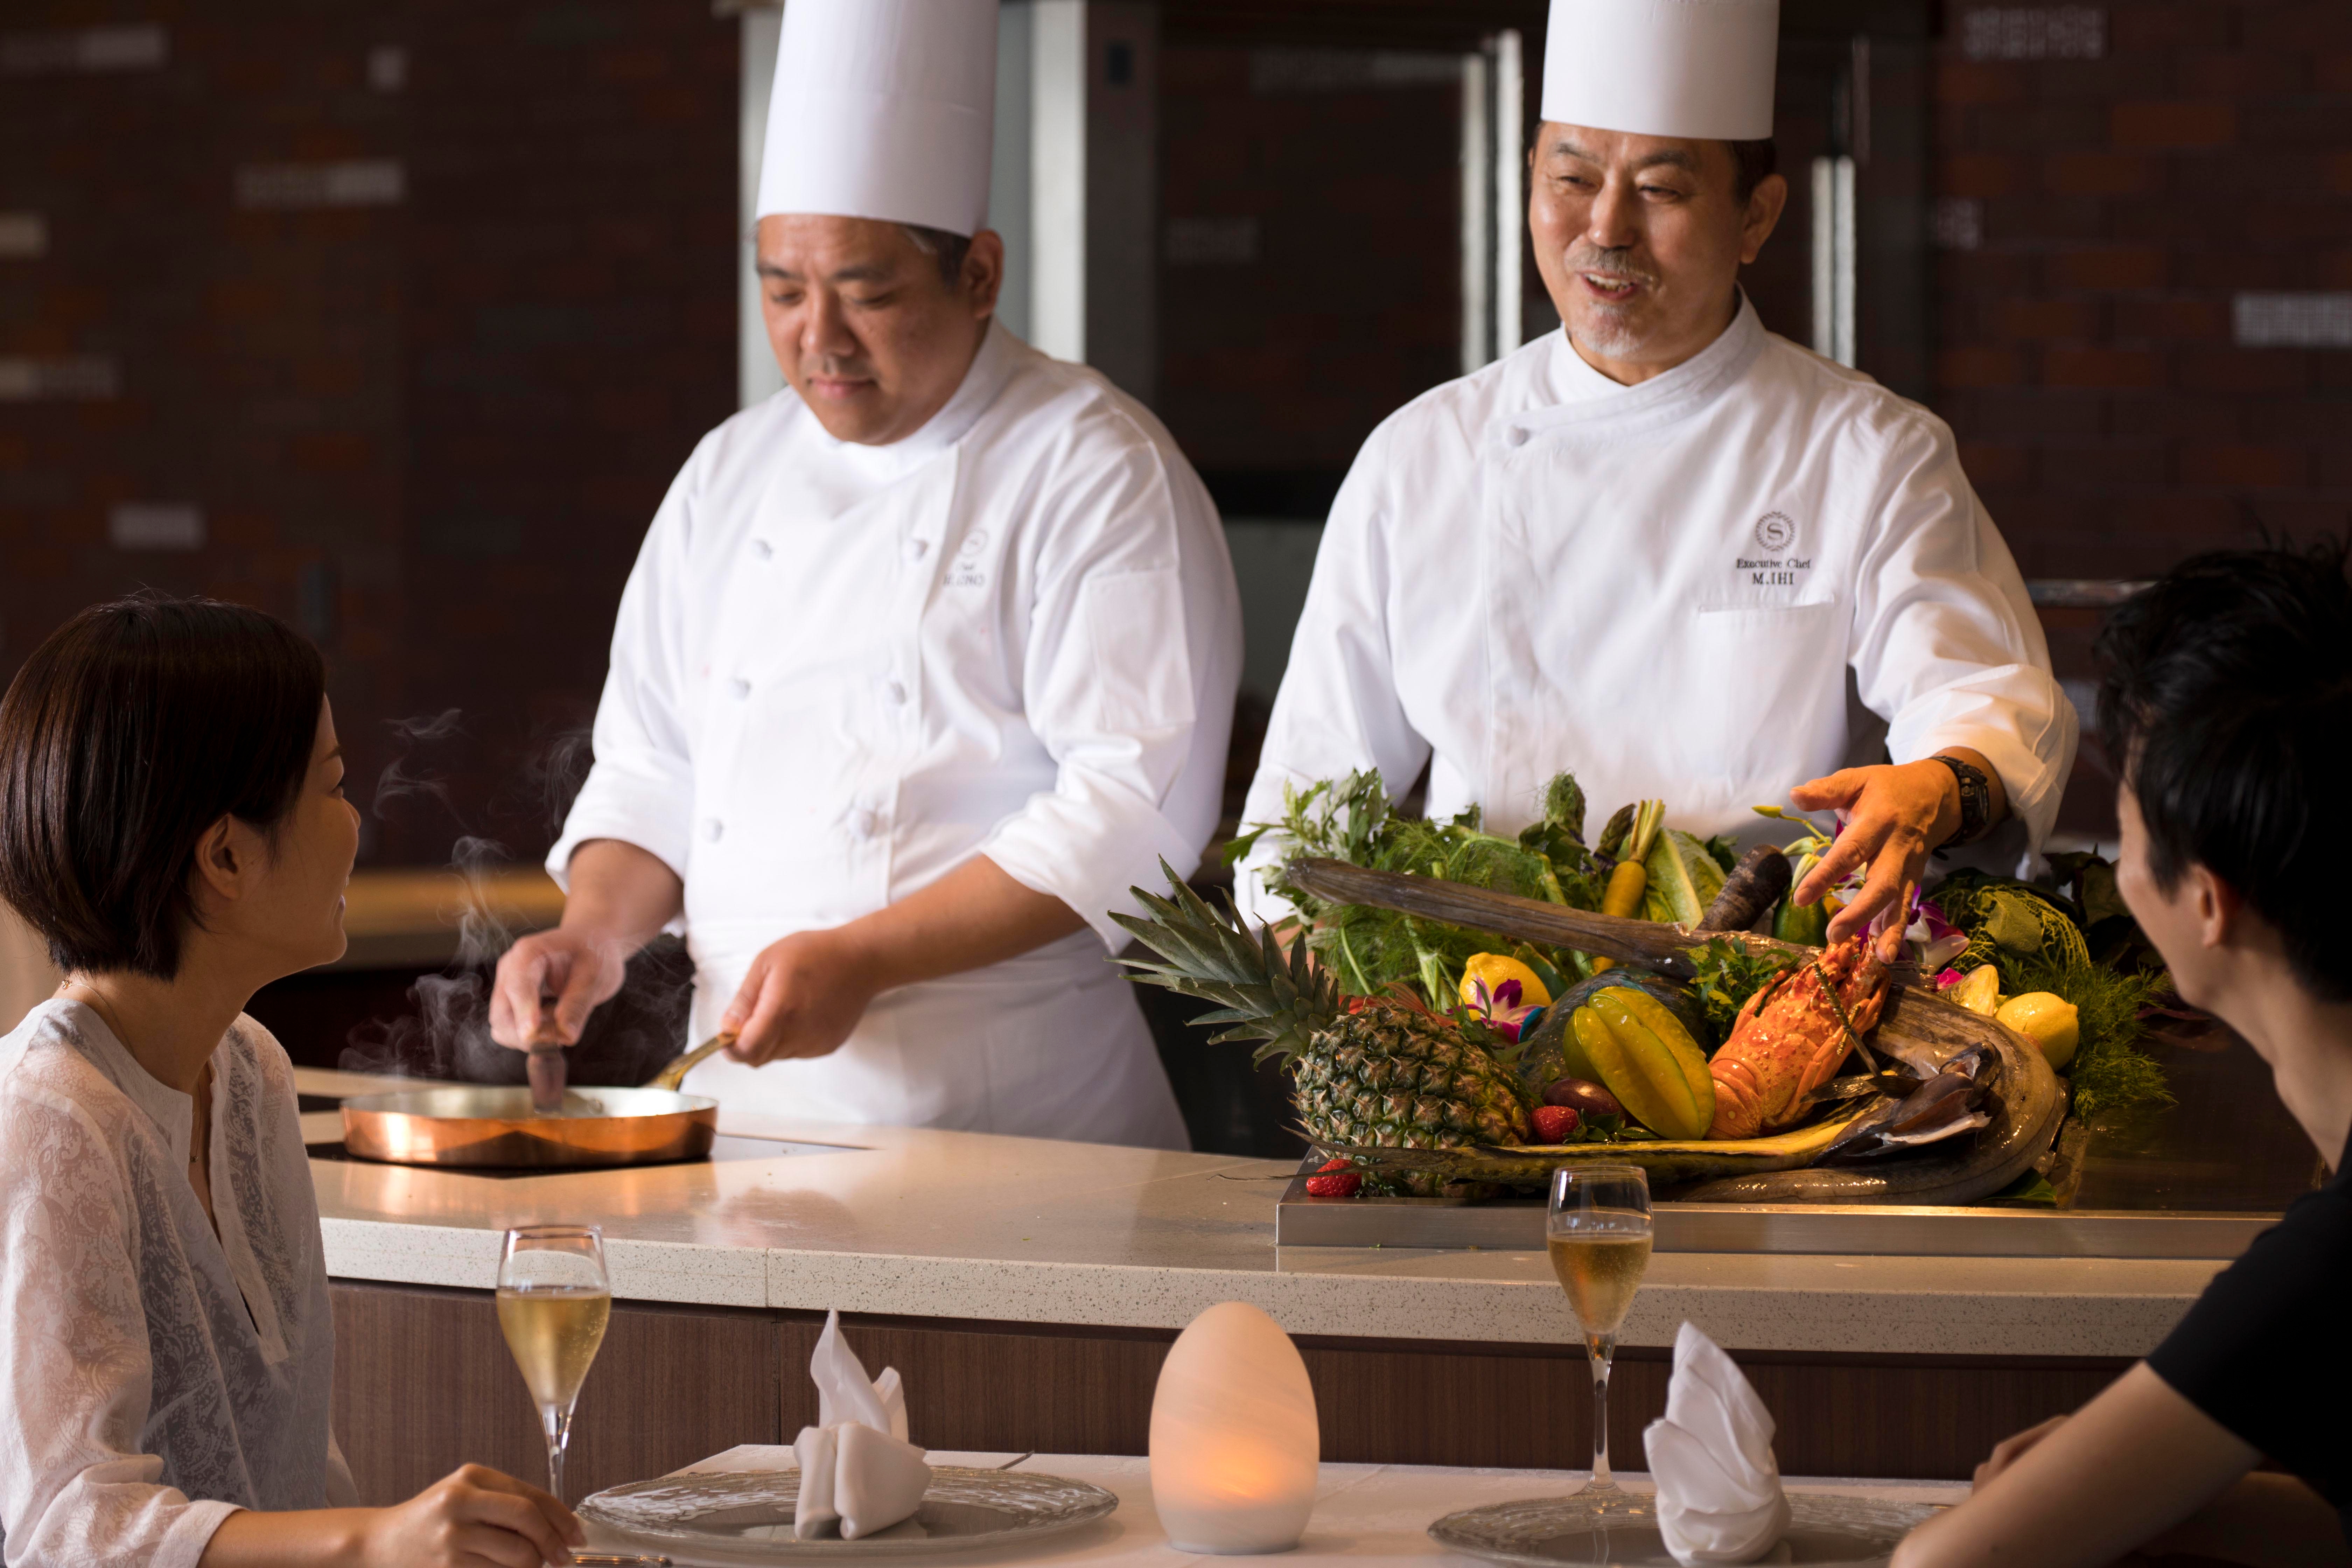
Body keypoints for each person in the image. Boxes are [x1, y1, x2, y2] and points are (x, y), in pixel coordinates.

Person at [487, 0, 1241, 1147]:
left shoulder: (1094, 463)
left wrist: (866, 957)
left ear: (979, 275)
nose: (819, 339)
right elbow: (653, 767)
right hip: (738, 1112)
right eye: (783, 289)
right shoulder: (729, 471)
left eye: (869, 291)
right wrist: (593, 933)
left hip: (1011, 1124)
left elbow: (1131, 812)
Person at [1238, 0, 2074, 953]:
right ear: (1528, 184)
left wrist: (1941, 780)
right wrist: (1343, 998)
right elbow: (1299, 819)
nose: (1605, 228)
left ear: (1756, 216)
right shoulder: (1420, 458)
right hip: (1476, 1015)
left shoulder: (1870, 452)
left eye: (1663, 190)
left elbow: (1979, 693)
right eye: (1573, 178)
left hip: (1767, 1005)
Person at [0, 596, 581, 1568]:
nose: (356, 823)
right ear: (226, 854)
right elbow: (67, 1531)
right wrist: (379, 1542)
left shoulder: (248, 1072)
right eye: (332, 787)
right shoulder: (50, 1121)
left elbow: (296, 1473)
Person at [1894, 542, 2352, 1568]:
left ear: (2205, 901)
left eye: (2128, 832)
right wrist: (2167, 1496)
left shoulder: (2326, 1272)